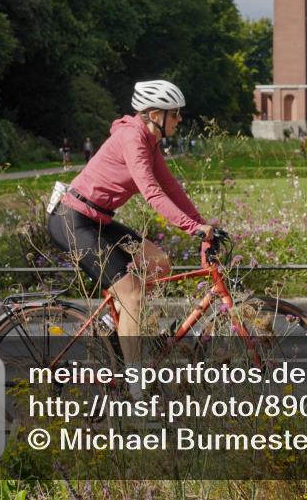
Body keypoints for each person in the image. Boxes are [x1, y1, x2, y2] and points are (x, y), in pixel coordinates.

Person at [47, 80, 214, 395]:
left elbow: (170, 187)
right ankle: (136, 390)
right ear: (155, 115)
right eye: (175, 114)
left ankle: (118, 326)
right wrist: (190, 227)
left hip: (98, 220)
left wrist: (203, 225)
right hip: (72, 221)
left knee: (159, 262)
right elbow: (152, 192)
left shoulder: (150, 141)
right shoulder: (132, 137)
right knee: (133, 295)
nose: (179, 119)